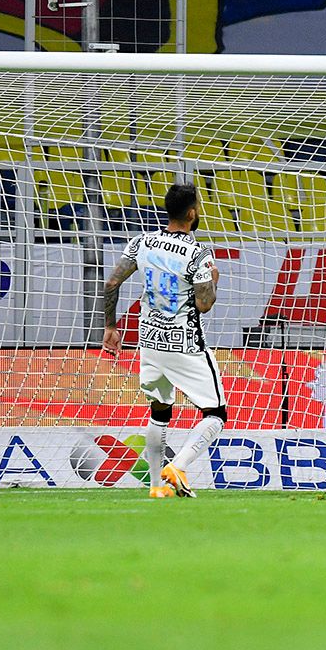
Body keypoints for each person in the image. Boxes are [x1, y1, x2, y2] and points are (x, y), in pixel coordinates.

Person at [102, 183, 226, 498]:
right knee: (215, 414)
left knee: (159, 411)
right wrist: (213, 279)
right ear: (192, 213)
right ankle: (179, 466)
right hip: (184, 344)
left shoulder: (142, 242)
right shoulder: (198, 253)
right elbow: (204, 304)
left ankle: (157, 487)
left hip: (150, 342)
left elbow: (112, 281)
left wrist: (110, 327)